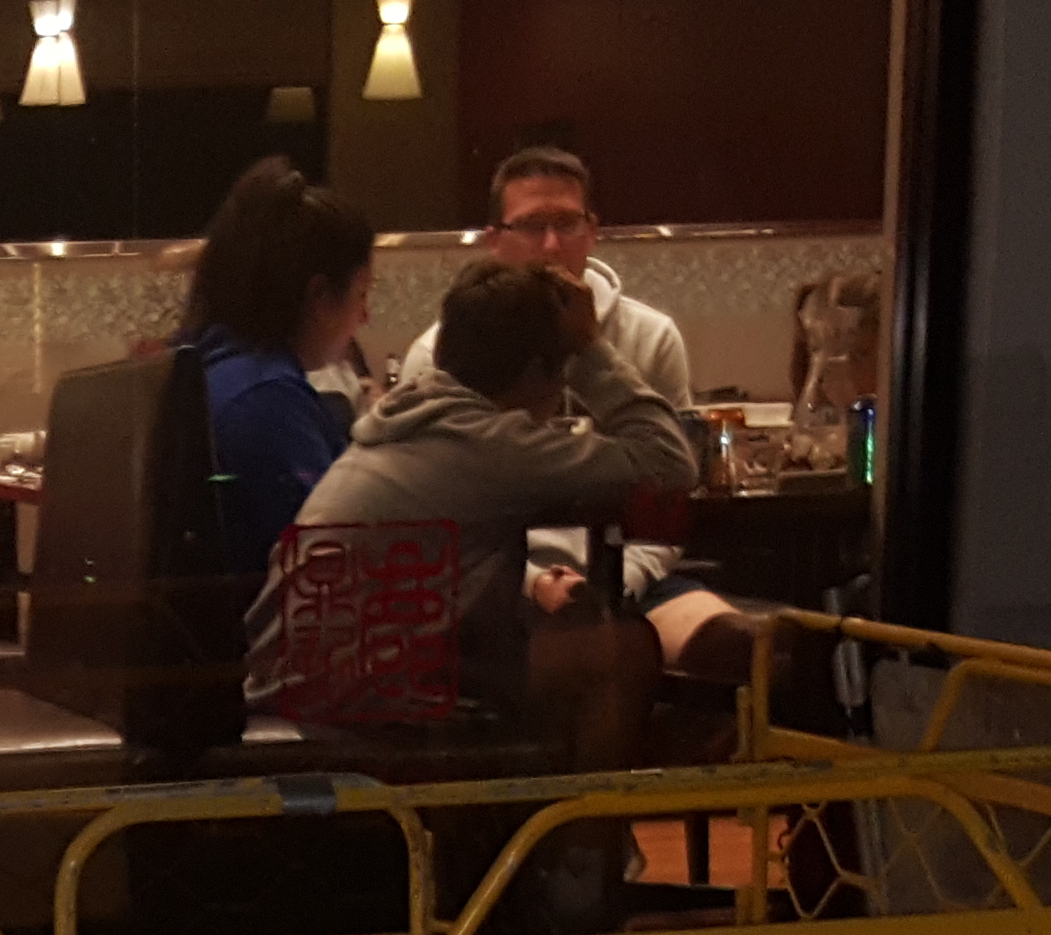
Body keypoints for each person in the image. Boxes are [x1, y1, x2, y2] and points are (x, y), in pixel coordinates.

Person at [266, 257, 700, 729]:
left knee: (545, 644)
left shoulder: (409, 418)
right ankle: (572, 782)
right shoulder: (492, 443)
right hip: (360, 698)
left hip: (297, 679)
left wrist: (535, 582)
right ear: (538, 372)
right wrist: (591, 349)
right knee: (623, 651)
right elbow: (669, 464)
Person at [174, 154, 378, 580]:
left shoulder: (205, 366)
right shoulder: (267, 399)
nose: (365, 316)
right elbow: (334, 563)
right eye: (361, 294)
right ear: (319, 297)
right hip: (255, 623)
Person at [391, 146, 693, 405]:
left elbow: (677, 452)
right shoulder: (435, 357)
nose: (552, 246)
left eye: (567, 223)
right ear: (494, 241)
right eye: (531, 226)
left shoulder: (651, 339)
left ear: (591, 232)